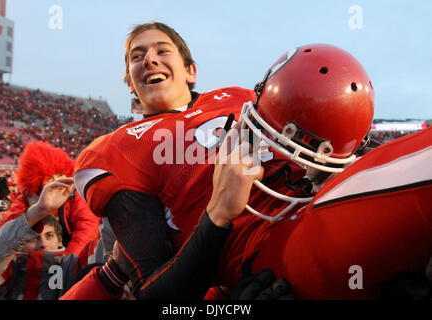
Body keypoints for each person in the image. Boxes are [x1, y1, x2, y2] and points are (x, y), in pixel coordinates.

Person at [65, 22, 432, 300]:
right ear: (130, 82)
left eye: (162, 50)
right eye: (137, 55)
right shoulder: (117, 149)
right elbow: (158, 296)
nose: (150, 59)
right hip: (272, 247)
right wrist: (218, 215)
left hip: (323, 195)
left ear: (191, 70)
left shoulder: (238, 96)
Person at [0, 141, 101, 256]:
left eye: (60, 175)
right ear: (36, 181)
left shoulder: (74, 195)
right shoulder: (25, 200)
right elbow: (2, 231)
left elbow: (87, 232)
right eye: (50, 177)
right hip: (35, 261)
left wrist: (66, 264)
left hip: (66, 262)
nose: (57, 180)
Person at [0, 178, 81, 300]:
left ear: (59, 239)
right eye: (34, 239)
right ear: (21, 242)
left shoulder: (74, 267)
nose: (43, 244)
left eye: (49, 236)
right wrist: (38, 211)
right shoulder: (5, 272)